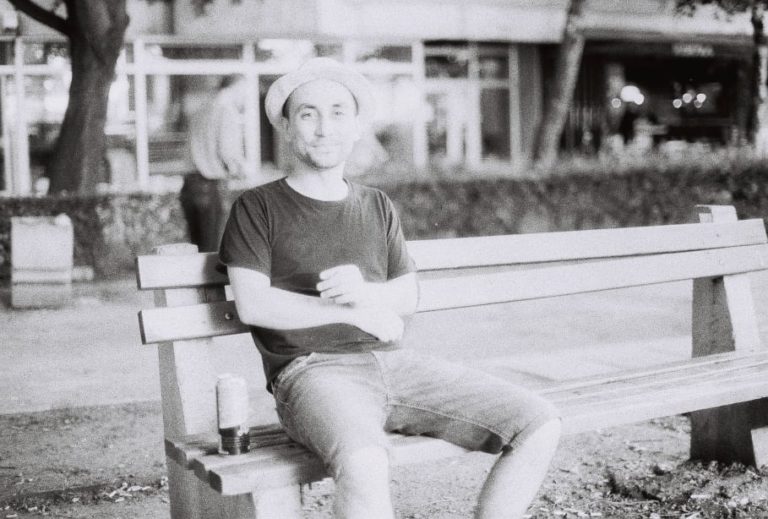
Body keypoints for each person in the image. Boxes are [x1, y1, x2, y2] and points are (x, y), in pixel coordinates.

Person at [219, 58, 561, 519]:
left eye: (338, 113)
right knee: (366, 462)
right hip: (312, 373)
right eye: (308, 114)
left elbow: (406, 295)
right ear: (286, 126)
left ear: (356, 126)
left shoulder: (376, 205)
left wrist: (367, 295)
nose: (324, 128)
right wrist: (351, 313)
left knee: (538, 422)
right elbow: (253, 304)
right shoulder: (258, 206)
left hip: (394, 364)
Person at [181, 75, 248, 252]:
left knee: (198, 251)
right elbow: (228, 152)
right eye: (245, 91)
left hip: (189, 186)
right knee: (213, 252)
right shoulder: (227, 110)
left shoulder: (201, 109)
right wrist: (242, 170)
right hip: (210, 186)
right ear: (237, 87)